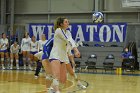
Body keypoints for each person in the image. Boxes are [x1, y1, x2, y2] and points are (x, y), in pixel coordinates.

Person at [48, 17, 80, 93]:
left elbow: (71, 40)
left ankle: (52, 89)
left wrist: (76, 50)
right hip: (55, 55)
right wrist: (75, 50)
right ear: (61, 24)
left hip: (63, 57)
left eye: (68, 22)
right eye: (66, 22)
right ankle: (57, 91)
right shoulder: (58, 30)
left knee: (63, 80)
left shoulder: (68, 32)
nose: (68, 23)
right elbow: (67, 40)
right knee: (57, 76)